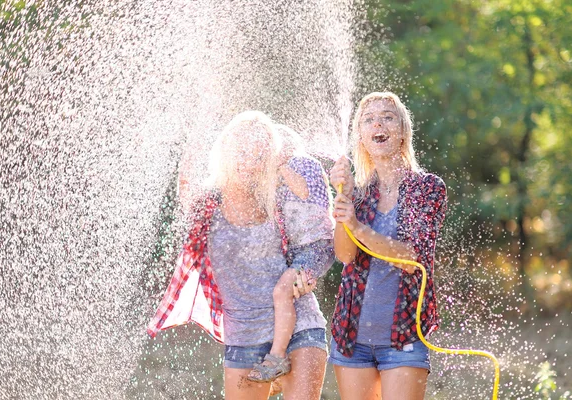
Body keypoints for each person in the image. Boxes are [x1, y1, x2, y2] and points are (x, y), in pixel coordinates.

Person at [147, 111, 334, 400]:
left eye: (260, 156)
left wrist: (306, 274)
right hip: (244, 338)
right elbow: (184, 186)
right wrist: (192, 132)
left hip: (300, 327)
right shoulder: (206, 206)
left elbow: (313, 242)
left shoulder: (278, 199)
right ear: (225, 152)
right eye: (242, 152)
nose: (250, 162)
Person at [329, 92, 447, 400]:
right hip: (352, 337)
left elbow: (411, 258)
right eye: (368, 120)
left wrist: (356, 225)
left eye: (387, 117)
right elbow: (345, 255)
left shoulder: (427, 188)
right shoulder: (359, 193)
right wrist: (343, 200)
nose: (377, 123)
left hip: (404, 335)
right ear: (362, 137)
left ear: (403, 131)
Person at [246, 124, 333, 383]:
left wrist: (282, 165)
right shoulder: (274, 179)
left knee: (282, 291)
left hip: (315, 245)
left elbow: (305, 192)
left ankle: (277, 357)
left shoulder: (304, 165)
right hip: (295, 250)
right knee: (278, 293)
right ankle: (276, 369)